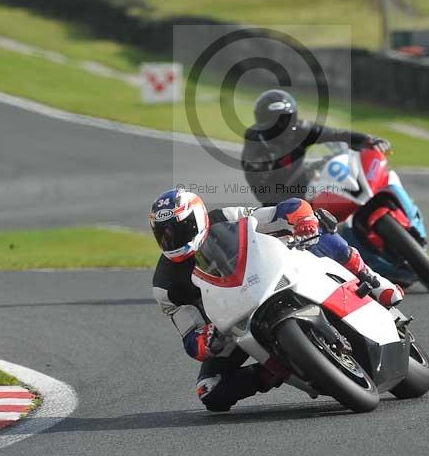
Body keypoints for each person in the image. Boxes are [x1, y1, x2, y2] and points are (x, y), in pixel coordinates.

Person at [151, 186, 403, 413]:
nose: (172, 240)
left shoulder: (223, 217)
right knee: (210, 391)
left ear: (197, 218)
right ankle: (275, 370)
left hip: (265, 275)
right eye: (164, 235)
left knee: (319, 225)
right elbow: (189, 337)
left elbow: (283, 210)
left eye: (180, 230)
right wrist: (205, 340)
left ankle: (370, 278)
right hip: (230, 323)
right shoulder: (165, 285)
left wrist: (302, 220)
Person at [241, 89, 392, 205]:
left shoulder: (300, 129)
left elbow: (336, 134)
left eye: (285, 119)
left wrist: (368, 140)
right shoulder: (255, 148)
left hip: (310, 186)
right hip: (281, 204)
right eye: (275, 121)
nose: (281, 125)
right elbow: (263, 193)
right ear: (262, 121)